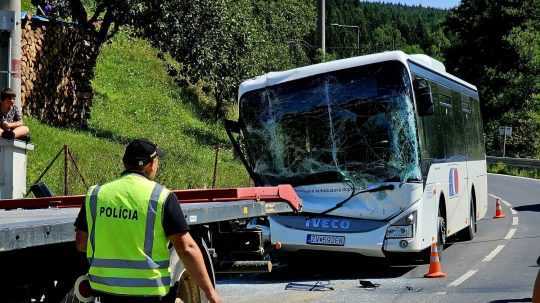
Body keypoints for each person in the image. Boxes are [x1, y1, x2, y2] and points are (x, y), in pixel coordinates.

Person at [74, 139, 221, 303]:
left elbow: (81, 243)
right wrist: (210, 293)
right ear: (151, 164)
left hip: (106, 292)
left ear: (124, 163)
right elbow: (186, 249)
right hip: (148, 294)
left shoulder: (96, 194)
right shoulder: (161, 197)